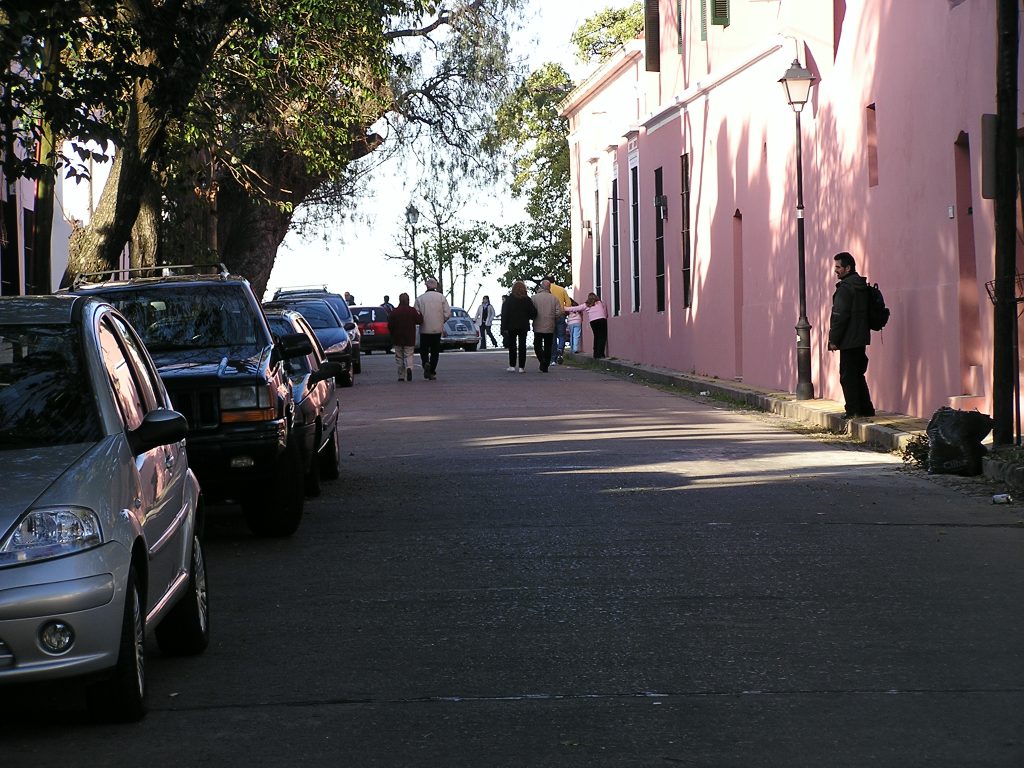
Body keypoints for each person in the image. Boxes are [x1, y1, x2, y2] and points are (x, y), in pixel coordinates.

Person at [828, 251, 875, 417]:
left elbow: (839, 317)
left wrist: (833, 340)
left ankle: (853, 410)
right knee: (858, 374)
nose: (835, 270)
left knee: (848, 377)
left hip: (848, 340)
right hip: (861, 338)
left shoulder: (846, 289)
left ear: (848, 268)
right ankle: (866, 409)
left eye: (838, 267)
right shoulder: (861, 286)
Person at [415, 277, 451, 380]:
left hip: (424, 329)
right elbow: (448, 313)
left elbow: (416, 314)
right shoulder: (441, 298)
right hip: (437, 328)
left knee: (424, 349)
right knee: (435, 351)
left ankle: (425, 362)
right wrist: (441, 321)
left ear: (426, 286)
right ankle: (432, 370)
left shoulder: (420, 298)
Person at [500, 281, 536, 373]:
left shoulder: (508, 300)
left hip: (511, 326)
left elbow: (504, 315)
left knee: (512, 346)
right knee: (522, 346)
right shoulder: (527, 300)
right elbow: (533, 313)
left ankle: (512, 365)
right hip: (523, 326)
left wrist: (503, 328)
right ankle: (521, 367)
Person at [386, 293, 422, 382]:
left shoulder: (394, 311)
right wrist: (420, 314)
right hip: (409, 337)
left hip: (397, 337)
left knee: (399, 356)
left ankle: (401, 375)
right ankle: (409, 367)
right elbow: (419, 320)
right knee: (409, 354)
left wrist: (392, 334)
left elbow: (390, 325)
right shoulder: (412, 310)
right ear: (408, 300)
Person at [531, 279, 564, 373]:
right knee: (548, 346)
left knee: (537, 344)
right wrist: (552, 316)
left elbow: (531, 311)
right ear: (549, 287)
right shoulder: (554, 298)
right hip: (550, 324)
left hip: (537, 324)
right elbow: (559, 312)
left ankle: (542, 360)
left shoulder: (534, 298)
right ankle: (545, 365)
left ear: (541, 286)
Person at [565, 292, 608, 359]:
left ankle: (596, 354)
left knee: (596, 336)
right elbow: (605, 310)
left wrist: (564, 308)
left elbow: (575, 308)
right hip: (601, 320)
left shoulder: (586, 305)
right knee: (602, 337)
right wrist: (604, 316)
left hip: (593, 321)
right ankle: (601, 354)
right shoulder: (600, 303)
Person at [545, 275, 571, 365]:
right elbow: (568, 302)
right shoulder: (561, 289)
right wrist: (563, 309)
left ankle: (553, 359)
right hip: (561, 314)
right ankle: (560, 349)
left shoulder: (546, 291)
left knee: (552, 337)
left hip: (550, 315)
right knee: (561, 335)